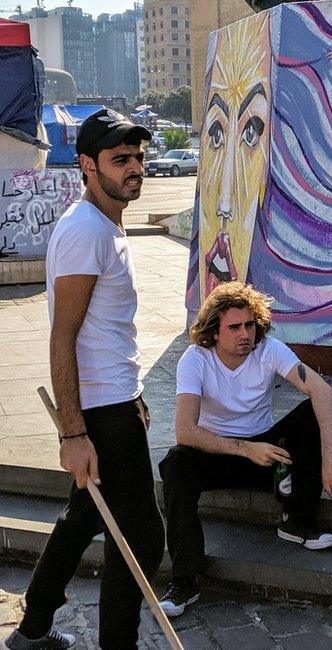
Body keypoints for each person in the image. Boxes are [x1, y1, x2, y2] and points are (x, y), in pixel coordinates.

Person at [5, 109, 163, 650]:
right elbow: (62, 337)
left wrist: (135, 397)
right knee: (141, 535)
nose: (134, 168)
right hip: (99, 413)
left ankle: (33, 626)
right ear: (88, 165)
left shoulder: (107, 224)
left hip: (116, 403)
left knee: (83, 518)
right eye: (120, 160)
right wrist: (73, 435)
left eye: (138, 157)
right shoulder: (84, 231)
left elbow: (108, 333)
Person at [156, 282, 332, 617]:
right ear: (214, 331)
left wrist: (330, 455)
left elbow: (322, 390)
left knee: (310, 414)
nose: (245, 334)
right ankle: (186, 579)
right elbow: (185, 431)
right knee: (175, 463)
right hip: (221, 455)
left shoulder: (269, 348)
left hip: (269, 457)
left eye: (250, 325)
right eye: (234, 327)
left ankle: (297, 522)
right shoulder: (195, 360)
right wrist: (245, 448)